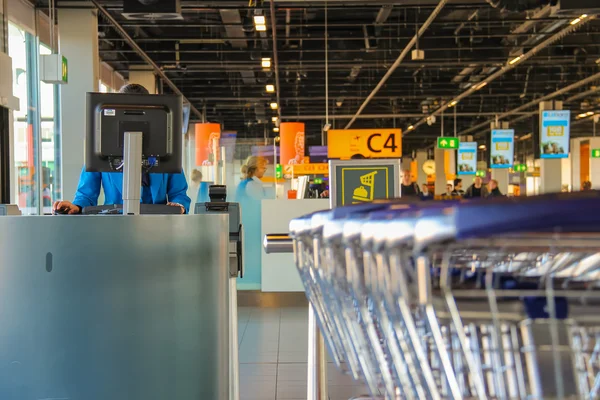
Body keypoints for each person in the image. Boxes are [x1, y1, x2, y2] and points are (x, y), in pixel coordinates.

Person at [52, 83, 191, 214]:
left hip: (157, 225)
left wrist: (179, 205)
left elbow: (179, 194)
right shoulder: (100, 150)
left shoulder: (166, 151)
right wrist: (75, 207)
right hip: (114, 225)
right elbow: (86, 196)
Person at [235, 156, 268, 289]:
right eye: (263, 167)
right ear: (255, 168)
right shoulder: (252, 184)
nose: (265, 170)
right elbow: (260, 204)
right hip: (251, 224)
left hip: (245, 222)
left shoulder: (246, 183)